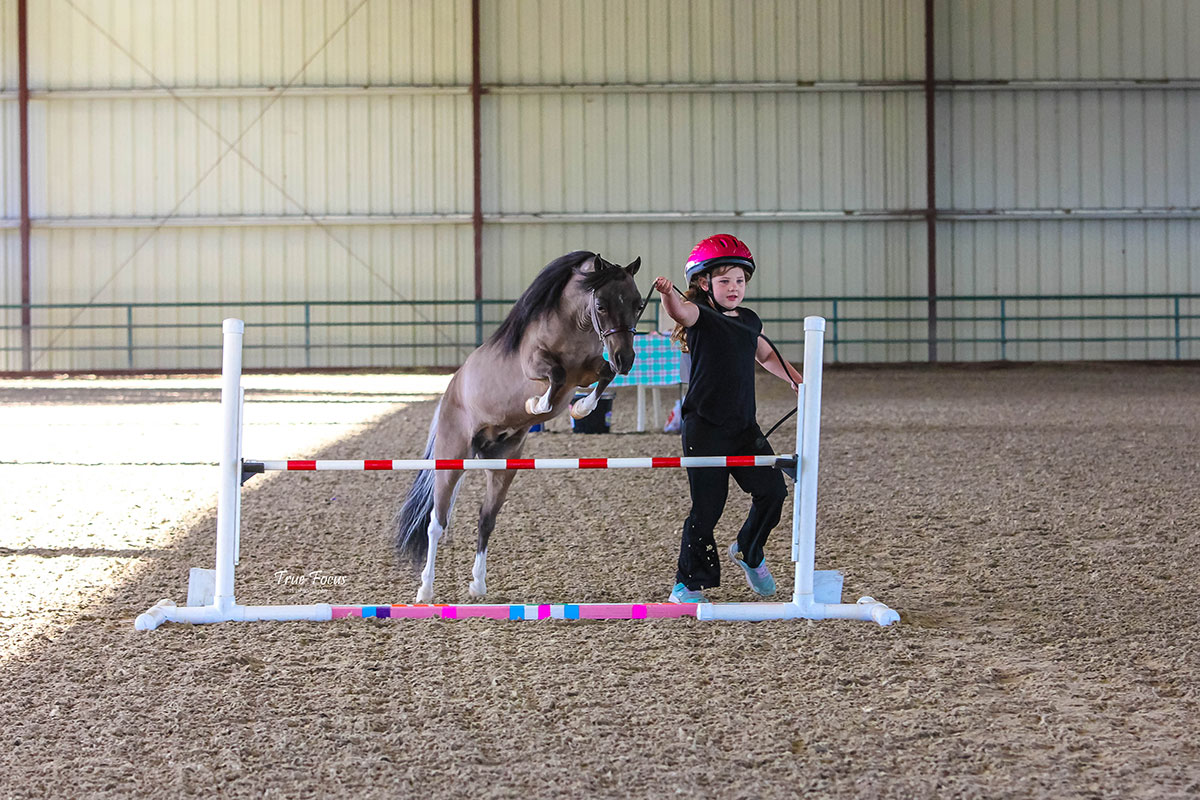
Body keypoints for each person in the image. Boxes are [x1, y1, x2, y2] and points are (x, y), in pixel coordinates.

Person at [652, 234, 804, 604]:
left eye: (739, 280)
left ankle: (749, 551)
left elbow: (767, 357)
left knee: (773, 492)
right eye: (724, 281)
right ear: (705, 284)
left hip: (743, 427)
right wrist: (668, 294)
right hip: (704, 427)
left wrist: (801, 383)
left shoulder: (750, 321)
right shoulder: (699, 315)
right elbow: (680, 312)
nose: (734, 287)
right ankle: (686, 586)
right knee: (708, 508)